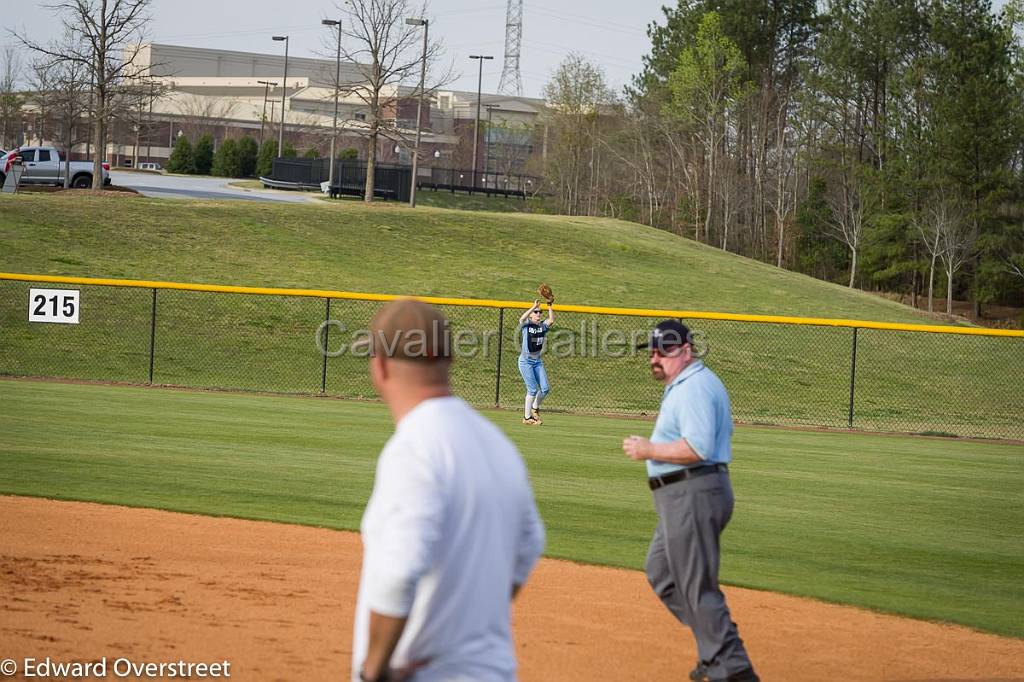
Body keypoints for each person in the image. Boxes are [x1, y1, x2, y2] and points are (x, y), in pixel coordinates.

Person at [352, 299, 546, 682]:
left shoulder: (413, 449)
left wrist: (373, 670)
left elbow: (397, 573)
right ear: (448, 361)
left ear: (381, 365)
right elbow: (530, 543)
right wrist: (466, 620)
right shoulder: (497, 443)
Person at [621, 320, 758, 682]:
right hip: (682, 495)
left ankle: (733, 669)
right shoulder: (684, 384)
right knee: (662, 573)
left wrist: (649, 449)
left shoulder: (694, 387)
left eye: (664, 350)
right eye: (651, 351)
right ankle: (716, 649)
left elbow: (697, 448)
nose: (655, 358)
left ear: (685, 350)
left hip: (693, 492)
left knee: (697, 588)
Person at [517, 299, 554, 425]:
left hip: (537, 361)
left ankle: (534, 408)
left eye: (540, 312)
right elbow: (521, 319)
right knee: (532, 389)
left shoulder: (542, 326)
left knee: (545, 388)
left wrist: (549, 305)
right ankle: (527, 418)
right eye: (536, 312)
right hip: (526, 362)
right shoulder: (527, 325)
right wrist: (533, 307)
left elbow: (551, 320)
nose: (538, 314)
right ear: (532, 314)